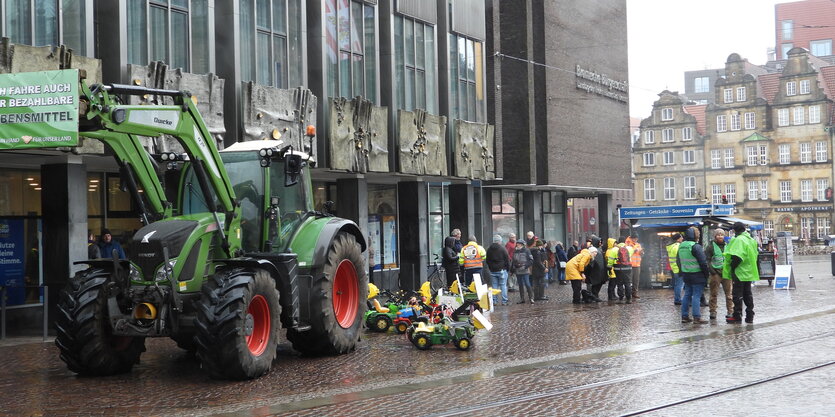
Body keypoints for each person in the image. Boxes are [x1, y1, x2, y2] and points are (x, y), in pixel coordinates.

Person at [723, 222, 760, 324]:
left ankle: (737, 315)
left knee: (737, 295)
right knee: (748, 294)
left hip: (740, 271)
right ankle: (749, 315)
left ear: (734, 230)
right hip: (749, 271)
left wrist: (732, 267)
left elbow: (737, 256)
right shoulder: (751, 240)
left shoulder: (739, 240)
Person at [677, 227, 710, 324]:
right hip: (697, 274)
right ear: (695, 235)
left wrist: (681, 272)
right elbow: (703, 263)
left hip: (686, 274)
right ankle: (697, 317)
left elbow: (678, 261)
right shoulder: (695, 246)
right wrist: (706, 275)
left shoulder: (681, 246)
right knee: (696, 295)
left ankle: (684, 316)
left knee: (687, 295)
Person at [704, 228, 733, 321]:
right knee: (713, 294)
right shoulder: (710, 247)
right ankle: (712, 311)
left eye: (722, 235)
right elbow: (707, 260)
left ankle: (730, 311)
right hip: (715, 273)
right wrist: (712, 271)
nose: (720, 236)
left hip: (726, 273)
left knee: (729, 294)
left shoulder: (728, 245)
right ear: (715, 236)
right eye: (718, 235)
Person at [486, 234, 511, 305]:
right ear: (499, 241)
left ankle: (494, 301)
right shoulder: (502, 249)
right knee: (503, 286)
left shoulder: (489, 249)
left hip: (493, 271)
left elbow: (487, 260)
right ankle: (504, 301)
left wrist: (490, 268)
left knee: (494, 286)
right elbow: (507, 260)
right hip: (502, 270)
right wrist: (507, 269)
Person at [584, 236, 607, 301]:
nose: (600, 243)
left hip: (598, 272)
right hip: (596, 272)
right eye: (599, 242)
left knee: (596, 285)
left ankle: (593, 296)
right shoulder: (595, 250)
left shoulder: (597, 250)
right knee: (594, 285)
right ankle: (593, 296)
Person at [613, 236, 633, 303]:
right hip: (628, 268)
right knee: (627, 283)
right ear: (625, 241)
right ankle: (629, 299)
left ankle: (621, 298)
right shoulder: (630, 248)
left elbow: (611, 260)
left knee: (620, 283)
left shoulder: (614, 249)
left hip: (618, 268)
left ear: (618, 241)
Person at [667, 233, 683, 305]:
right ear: (678, 239)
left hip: (674, 268)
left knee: (677, 284)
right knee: (679, 285)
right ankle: (678, 299)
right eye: (681, 237)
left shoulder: (671, 246)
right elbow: (680, 259)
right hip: (678, 268)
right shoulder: (677, 246)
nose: (682, 238)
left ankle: (677, 299)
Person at [627, 234, 643, 299]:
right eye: (634, 238)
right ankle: (628, 293)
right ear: (631, 238)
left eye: (636, 238)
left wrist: (641, 252)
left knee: (636, 280)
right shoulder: (628, 244)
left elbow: (641, 253)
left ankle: (634, 293)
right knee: (629, 280)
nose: (635, 240)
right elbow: (627, 253)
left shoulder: (638, 245)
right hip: (630, 264)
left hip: (637, 264)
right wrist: (634, 251)